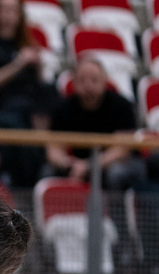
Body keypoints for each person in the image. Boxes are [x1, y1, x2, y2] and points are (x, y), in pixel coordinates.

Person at [0, 0, 59, 188]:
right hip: (6, 110)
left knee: (50, 91)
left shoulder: (27, 45)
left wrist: (37, 66)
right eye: (3, 10)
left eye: (13, 10)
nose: (8, 15)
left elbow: (39, 85)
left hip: (33, 112)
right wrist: (18, 63)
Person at [46, 57, 143, 190]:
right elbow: (53, 149)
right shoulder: (63, 108)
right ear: (74, 82)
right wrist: (68, 163)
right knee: (47, 172)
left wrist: (89, 165)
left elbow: (122, 150)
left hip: (117, 163)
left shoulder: (122, 105)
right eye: (82, 80)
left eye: (94, 80)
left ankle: (115, 211)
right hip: (77, 164)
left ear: (104, 81)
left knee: (116, 173)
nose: (88, 86)